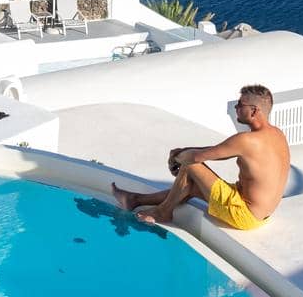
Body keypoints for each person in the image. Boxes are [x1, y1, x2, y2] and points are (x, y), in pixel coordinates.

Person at [112, 84, 290, 229]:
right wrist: (183, 151)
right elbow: (220, 151)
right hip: (261, 215)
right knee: (192, 186)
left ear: (254, 111)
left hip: (245, 215)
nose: (235, 108)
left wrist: (177, 158)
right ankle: (134, 199)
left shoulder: (247, 140)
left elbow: (196, 158)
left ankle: (163, 212)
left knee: (190, 166)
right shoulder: (277, 135)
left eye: (240, 105)